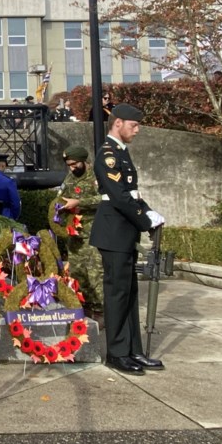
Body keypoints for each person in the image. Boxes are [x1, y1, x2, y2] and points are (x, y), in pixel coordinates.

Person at [89, 104, 166, 376]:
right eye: (133, 125)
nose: (137, 129)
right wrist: (145, 221)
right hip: (113, 232)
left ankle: (133, 349)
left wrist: (149, 212)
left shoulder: (122, 152)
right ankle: (117, 353)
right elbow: (119, 196)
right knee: (117, 294)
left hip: (123, 231)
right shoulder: (108, 154)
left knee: (130, 293)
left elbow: (131, 194)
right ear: (118, 123)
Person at [51, 146, 104, 313]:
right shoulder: (70, 177)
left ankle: (100, 310)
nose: (72, 168)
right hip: (74, 234)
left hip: (93, 232)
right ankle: (84, 307)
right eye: (69, 165)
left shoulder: (97, 176)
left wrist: (79, 202)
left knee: (95, 273)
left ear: (83, 161)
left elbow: (104, 198)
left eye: (74, 164)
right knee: (77, 272)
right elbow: (60, 196)